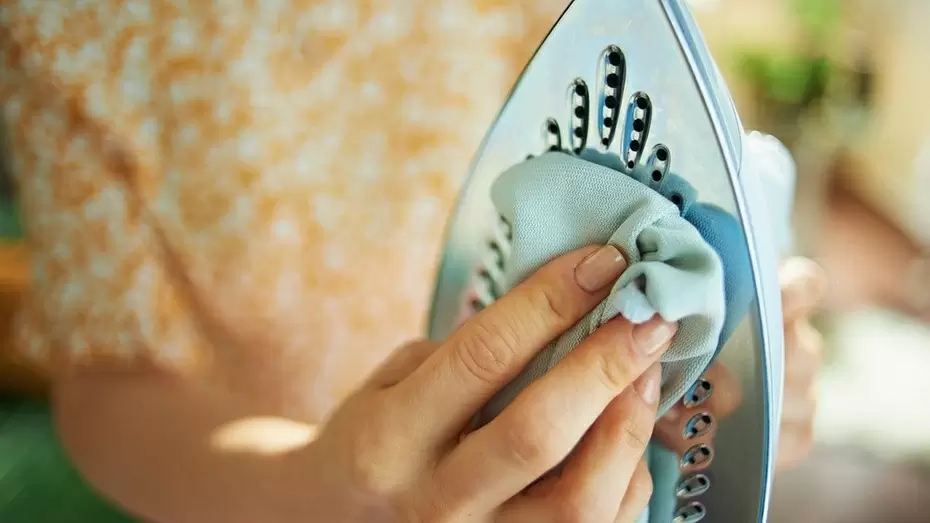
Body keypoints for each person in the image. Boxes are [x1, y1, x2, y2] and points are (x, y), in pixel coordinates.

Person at [0, 1, 827, 521]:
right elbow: (106, 377)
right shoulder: (68, 24)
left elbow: (666, 128)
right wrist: (316, 488)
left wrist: (742, 370)